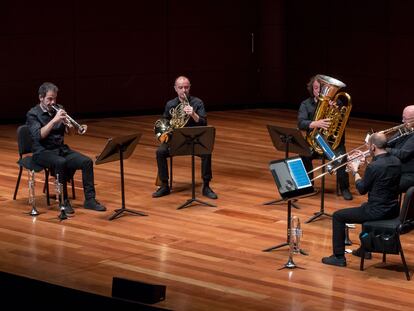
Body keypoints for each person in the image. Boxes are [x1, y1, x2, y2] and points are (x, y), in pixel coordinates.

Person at [321, 133, 401, 267]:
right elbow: (381, 174)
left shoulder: (374, 167)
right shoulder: (396, 161)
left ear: (373, 147)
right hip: (392, 209)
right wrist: (367, 163)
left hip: (377, 211)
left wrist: (355, 171)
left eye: (369, 146)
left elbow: (362, 189)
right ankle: (365, 250)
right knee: (364, 207)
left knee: (338, 216)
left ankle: (339, 257)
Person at [26, 82, 106, 213]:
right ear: (41, 97)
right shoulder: (33, 114)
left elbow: (71, 133)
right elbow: (39, 135)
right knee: (61, 162)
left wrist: (69, 126)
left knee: (87, 162)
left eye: (55, 98)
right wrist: (54, 121)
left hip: (60, 149)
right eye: (49, 99)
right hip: (42, 152)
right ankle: (64, 201)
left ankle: (90, 200)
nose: (53, 102)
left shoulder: (58, 108)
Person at [152, 76, 217, 199]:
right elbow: (165, 123)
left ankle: (206, 186)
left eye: (186, 87)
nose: (184, 90)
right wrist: (168, 130)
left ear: (190, 88)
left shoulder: (197, 103)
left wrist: (193, 114)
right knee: (160, 152)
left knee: (207, 152)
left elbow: (203, 123)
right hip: (175, 139)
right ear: (175, 89)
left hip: (194, 140)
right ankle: (164, 185)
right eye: (180, 87)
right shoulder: (170, 104)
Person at [297, 74, 353, 200]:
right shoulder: (306, 104)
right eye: (316, 88)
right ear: (312, 89)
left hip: (333, 144)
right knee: (303, 155)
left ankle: (344, 188)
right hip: (313, 143)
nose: (318, 91)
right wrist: (314, 123)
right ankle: (308, 186)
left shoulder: (337, 102)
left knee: (341, 159)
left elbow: (345, 123)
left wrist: (337, 111)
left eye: (322, 89)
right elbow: (300, 123)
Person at [386, 105, 414, 193]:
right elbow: (389, 143)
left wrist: (382, 148)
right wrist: (377, 141)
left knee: (385, 185)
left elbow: (402, 154)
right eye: (403, 117)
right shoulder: (406, 128)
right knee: (377, 177)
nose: (402, 121)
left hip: (409, 173)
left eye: (405, 119)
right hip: (398, 167)